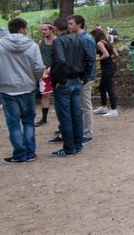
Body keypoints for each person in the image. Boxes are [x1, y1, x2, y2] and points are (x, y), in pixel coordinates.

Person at [0, 18, 44, 164]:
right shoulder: (32, 45)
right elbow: (39, 67)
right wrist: (34, 78)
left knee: (14, 123)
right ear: (22, 29)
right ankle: (30, 152)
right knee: (29, 121)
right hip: (28, 87)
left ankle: (20, 154)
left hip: (7, 89)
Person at [51, 17, 95, 157]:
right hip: (76, 80)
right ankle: (77, 144)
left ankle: (70, 147)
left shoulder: (59, 41)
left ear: (56, 28)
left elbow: (60, 60)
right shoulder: (79, 39)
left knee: (65, 116)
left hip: (66, 82)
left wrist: (61, 80)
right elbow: (90, 59)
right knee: (75, 114)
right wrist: (84, 76)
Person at [68, 15, 97, 145]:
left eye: (71, 24)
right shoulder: (75, 38)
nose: (68, 26)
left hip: (84, 78)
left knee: (85, 105)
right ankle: (79, 131)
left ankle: (87, 133)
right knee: (78, 105)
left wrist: (85, 78)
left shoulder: (86, 39)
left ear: (79, 25)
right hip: (77, 77)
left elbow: (91, 59)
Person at [91, 28, 119, 117]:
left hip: (107, 67)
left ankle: (114, 110)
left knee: (109, 88)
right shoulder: (107, 42)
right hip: (110, 66)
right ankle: (103, 107)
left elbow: (106, 54)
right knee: (101, 87)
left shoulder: (99, 43)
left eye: (92, 36)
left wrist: (96, 59)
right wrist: (110, 60)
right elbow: (116, 54)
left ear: (96, 35)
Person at [35, 22, 57, 127]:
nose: (43, 31)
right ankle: (44, 118)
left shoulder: (57, 41)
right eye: (42, 30)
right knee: (45, 94)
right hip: (45, 72)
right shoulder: (41, 42)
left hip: (56, 71)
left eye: (45, 29)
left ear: (51, 29)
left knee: (59, 94)